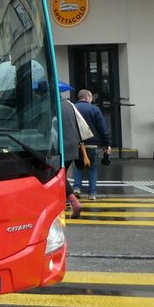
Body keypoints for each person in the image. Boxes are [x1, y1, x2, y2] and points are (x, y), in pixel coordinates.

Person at [72, 89, 111, 200]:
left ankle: (77, 188)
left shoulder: (73, 108)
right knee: (92, 168)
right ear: (87, 97)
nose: (91, 99)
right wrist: (106, 144)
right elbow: (102, 128)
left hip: (77, 143)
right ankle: (92, 193)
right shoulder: (95, 109)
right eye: (91, 97)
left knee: (77, 166)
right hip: (92, 143)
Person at [60, 86, 84, 218]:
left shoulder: (50, 105)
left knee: (58, 176)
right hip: (72, 146)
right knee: (60, 175)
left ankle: (74, 202)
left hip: (59, 148)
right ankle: (68, 202)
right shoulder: (69, 105)